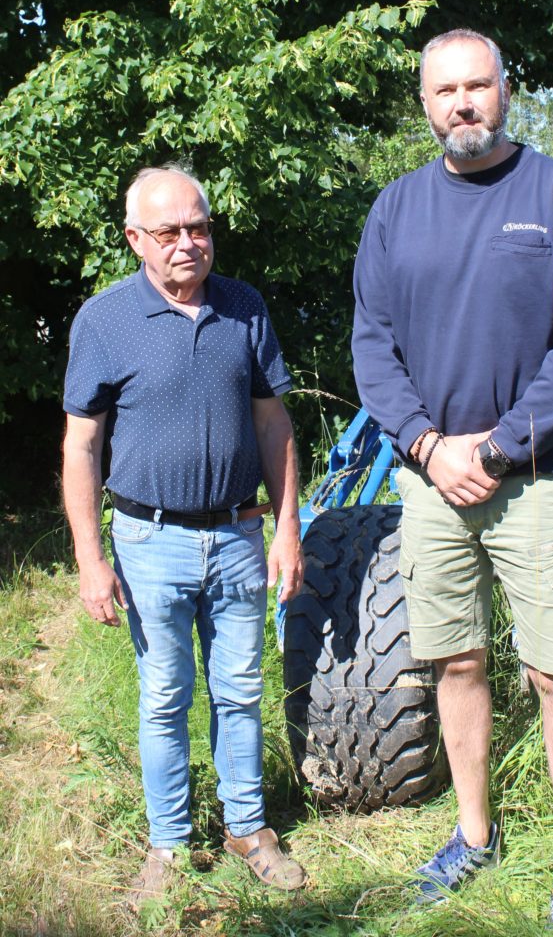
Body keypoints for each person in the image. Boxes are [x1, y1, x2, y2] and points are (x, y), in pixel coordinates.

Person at [352, 29, 553, 920]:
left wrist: (499, 448)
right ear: (424, 104)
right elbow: (372, 348)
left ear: (507, 89)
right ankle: (474, 834)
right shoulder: (394, 211)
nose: (462, 103)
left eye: (478, 86)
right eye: (444, 91)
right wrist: (430, 448)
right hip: (431, 482)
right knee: (455, 662)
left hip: (535, 478)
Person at [62, 164, 306, 907]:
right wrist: (89, 560)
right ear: (135, 239)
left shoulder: (245, 309)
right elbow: (81, 447)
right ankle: (168, 845)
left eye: (198, 227)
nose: (187, 244)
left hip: (237, 535)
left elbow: (274, 423)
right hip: (149, 541)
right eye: (168, 232)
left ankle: (248, 828)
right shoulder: (103, 321)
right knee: (165, 696)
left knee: (238, 690)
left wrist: (286, 527)